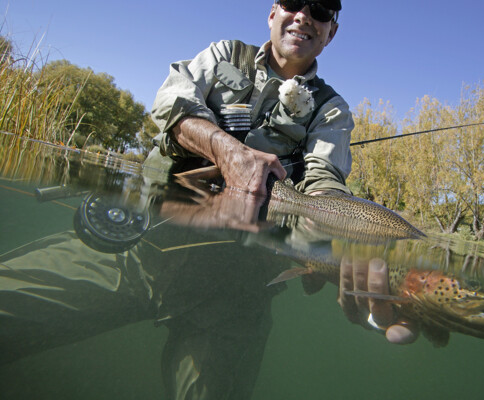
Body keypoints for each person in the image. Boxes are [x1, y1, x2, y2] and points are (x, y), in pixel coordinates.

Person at [149, 0, 418, 346]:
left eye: (321, 10)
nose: (304, 15)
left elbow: (324, 185)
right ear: (273, 12)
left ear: (331, 32)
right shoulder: (225, 54)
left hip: (233, 298)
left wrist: (353, 256)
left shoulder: (331, 110)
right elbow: (172, 103)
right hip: (145, 239)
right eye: (293, 2)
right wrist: (223, 148)